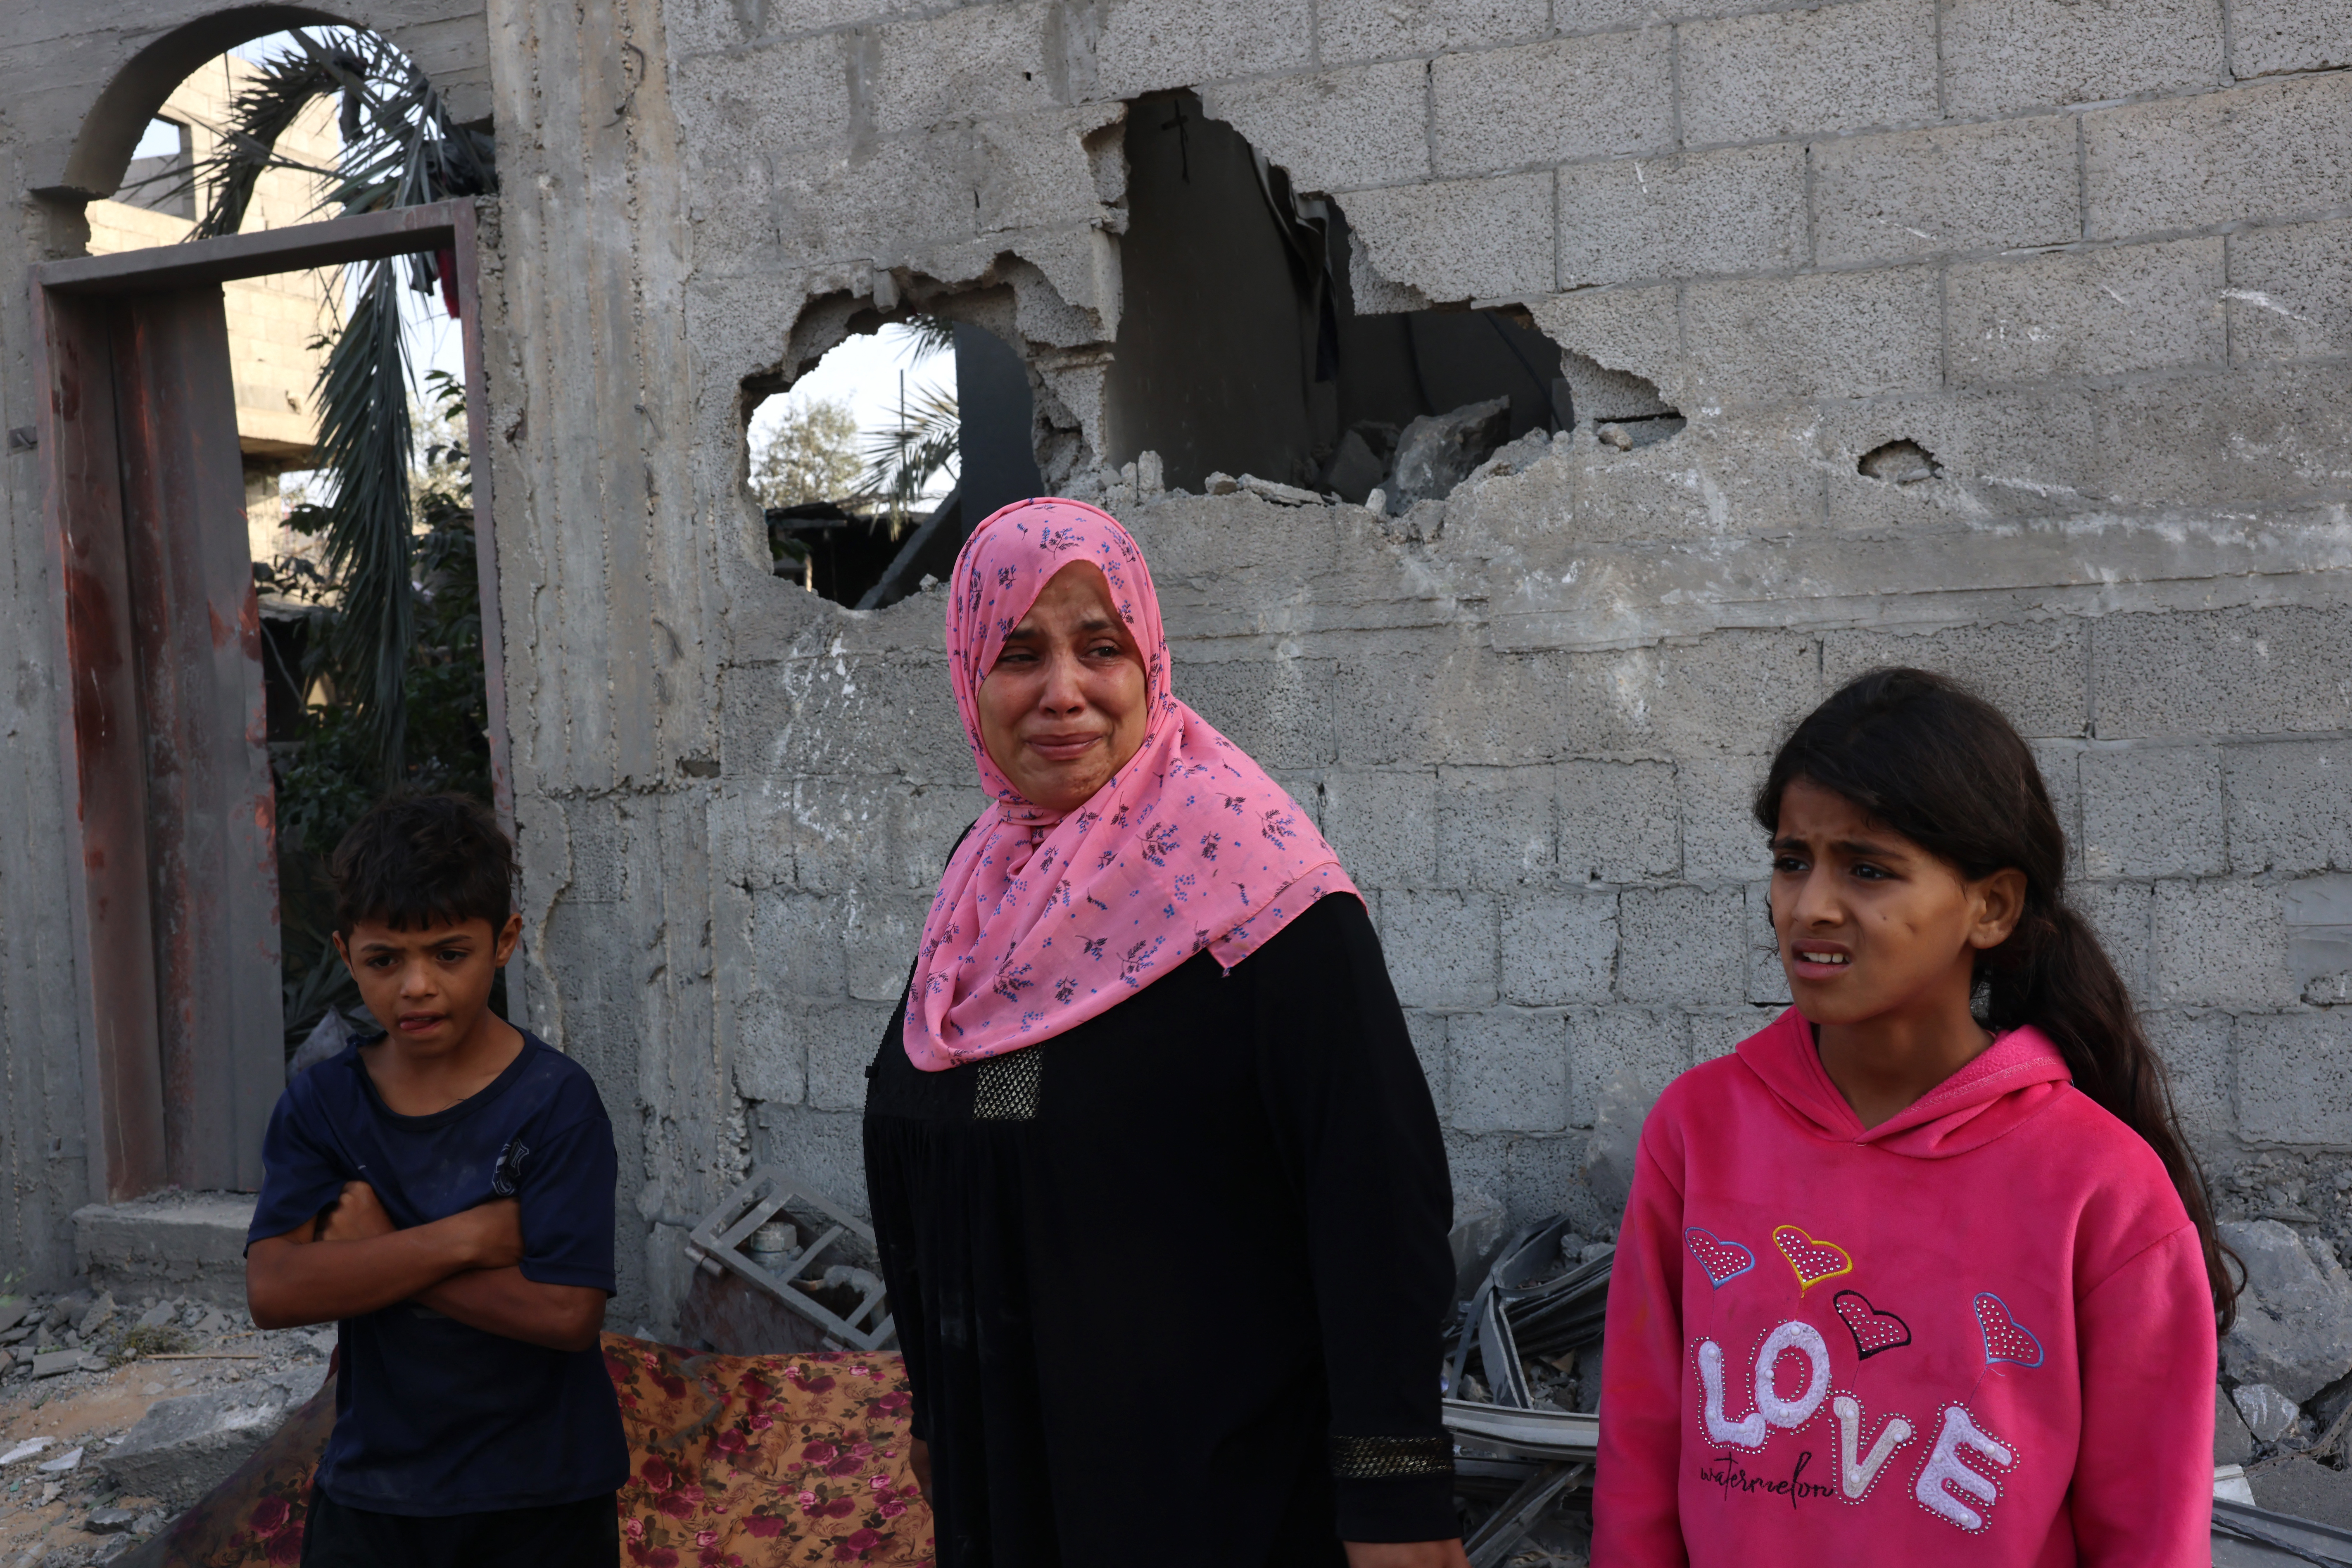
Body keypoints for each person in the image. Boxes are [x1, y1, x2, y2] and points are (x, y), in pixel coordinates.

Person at [862, 497, 1466, 1568]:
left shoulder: (1258, 888)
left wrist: (1395, 1497)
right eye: (1016, 653)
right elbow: (931, 1134)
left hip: (1211, 1498)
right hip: (1011, 1479)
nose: (1063, 692)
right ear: (967, 675)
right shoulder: (982, 884)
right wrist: (930, 1409)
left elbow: (1373, 1190)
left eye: (1101, 648)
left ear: (1149, 663)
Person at [1593, 668, 2232, 1564]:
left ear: (1990, 905)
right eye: (1791, 859)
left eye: (1867, 868)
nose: (1810, 904)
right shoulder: (1699, 1129)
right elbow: (1639, 1450)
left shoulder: (2104, 1189)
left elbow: (2150, 1535)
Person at [244, 794, 627, 1568]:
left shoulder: (554, 1102)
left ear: (504, 942)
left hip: (543, 1492)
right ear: (347, 954)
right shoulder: (325, 1104)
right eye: (385, 960)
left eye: (449, 955)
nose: (416, 987)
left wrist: (380, 1256)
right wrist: (463, 1239)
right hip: (378, 1489)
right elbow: (277, 1291)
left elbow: (565, 1314)